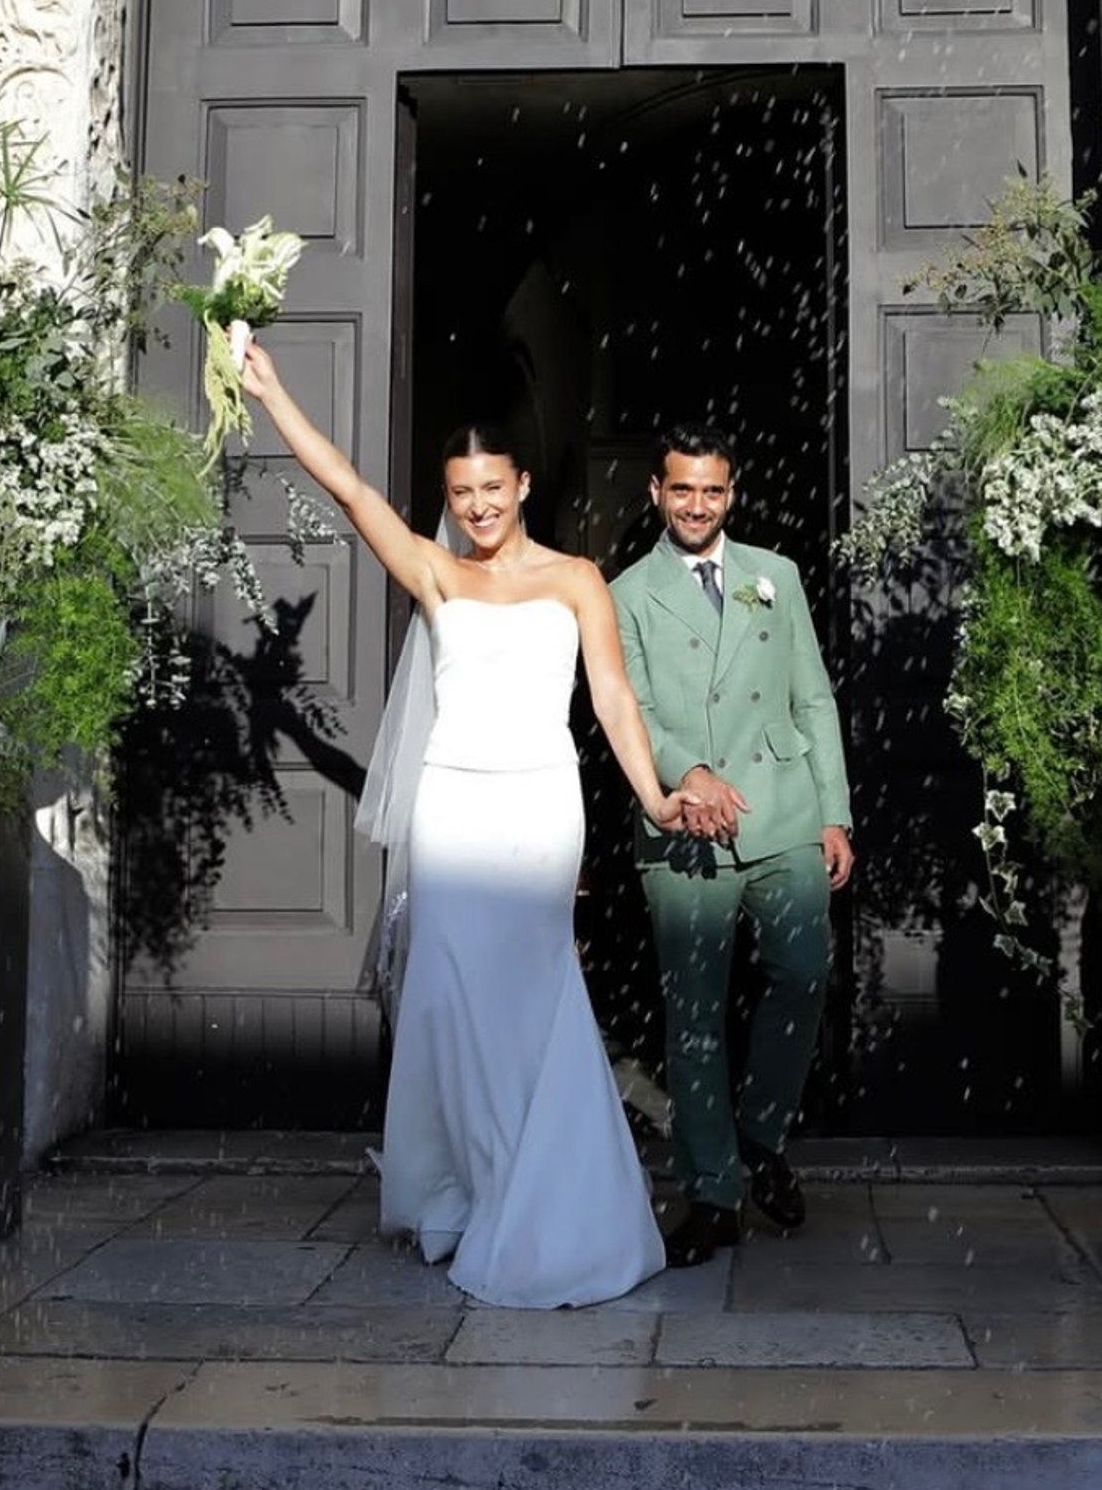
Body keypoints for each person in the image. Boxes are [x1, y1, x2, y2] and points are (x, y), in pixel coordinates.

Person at [240, 342, 681, 1307]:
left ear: (522, 484)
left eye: (491, 487)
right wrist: (273, 393)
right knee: (451, 1003)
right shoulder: (437, 572)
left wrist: (653, 796)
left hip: (539, 805)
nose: (478, 505)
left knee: (535, 997)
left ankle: (548, 1204)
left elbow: (612, 697)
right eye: (460, 491)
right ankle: (465, 1191)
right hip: (451, 806)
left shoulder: (578, 579)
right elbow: (352, 491)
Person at [610, 424, 854, 1268]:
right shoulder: (625, 592)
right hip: (685, 822)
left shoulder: (774, 574)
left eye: (711, 490)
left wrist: (834, 812)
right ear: (656, 491)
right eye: (682, 488)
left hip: (783, 808)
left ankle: (760, 1134)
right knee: (695, 1014)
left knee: (804, 972)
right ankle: (712, 1192)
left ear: (732, 492)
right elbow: (630, 708)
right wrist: (688, 772)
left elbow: (812, 697)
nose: (697, 505)